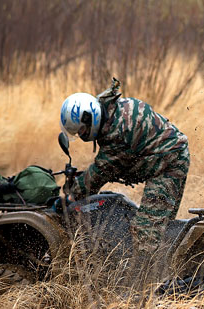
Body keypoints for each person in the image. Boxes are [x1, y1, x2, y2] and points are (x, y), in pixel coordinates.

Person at [59, 79, 190, 254]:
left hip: (168, 165)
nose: (82, 135)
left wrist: (72, 196)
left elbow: (99, 173)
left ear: (90, 118)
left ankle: (152, 277)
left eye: (82, 130)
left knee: (147, 232)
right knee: (163, 225)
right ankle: (170, 259)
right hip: (168, 155)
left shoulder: (116, 133)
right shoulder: (112, 109)